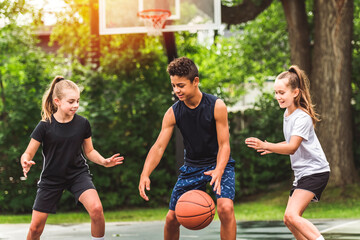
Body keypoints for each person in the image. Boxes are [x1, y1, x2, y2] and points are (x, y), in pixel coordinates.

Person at [138, 57, 237, 240]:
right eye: (174, 85)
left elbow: (225, 145)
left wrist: (219, 170)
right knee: (172, 218)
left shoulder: (216, 106)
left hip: (219, 164)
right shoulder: (173, 112)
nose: (177, 90)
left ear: (195, 81)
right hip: (192, 167)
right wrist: (145, 173)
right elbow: (159, 146)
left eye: (181, 85)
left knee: (225, 208)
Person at [21, 76, 124, 240]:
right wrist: (25, 162)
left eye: (77, 101)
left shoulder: (83, 123)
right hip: (51, 178)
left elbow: (89, 152)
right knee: (35, 229)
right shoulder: (45, 125)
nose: (76, 105)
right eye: (71, 101)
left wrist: (104, 161)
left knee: (97, 209)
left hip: (77, 174)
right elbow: (28, 153)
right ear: (57, 101)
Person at [245, 65, 330, 240]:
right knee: (288, 219)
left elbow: (292, 147)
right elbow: (292, 141)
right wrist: (270, 146)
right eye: (276, 93)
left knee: (292, 216)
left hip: (315, 172)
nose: (278, 97)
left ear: (295, 92)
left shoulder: (302, 117)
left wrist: (268, 146)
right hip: (303, 173)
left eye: (282, 93)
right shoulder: (287, 114)